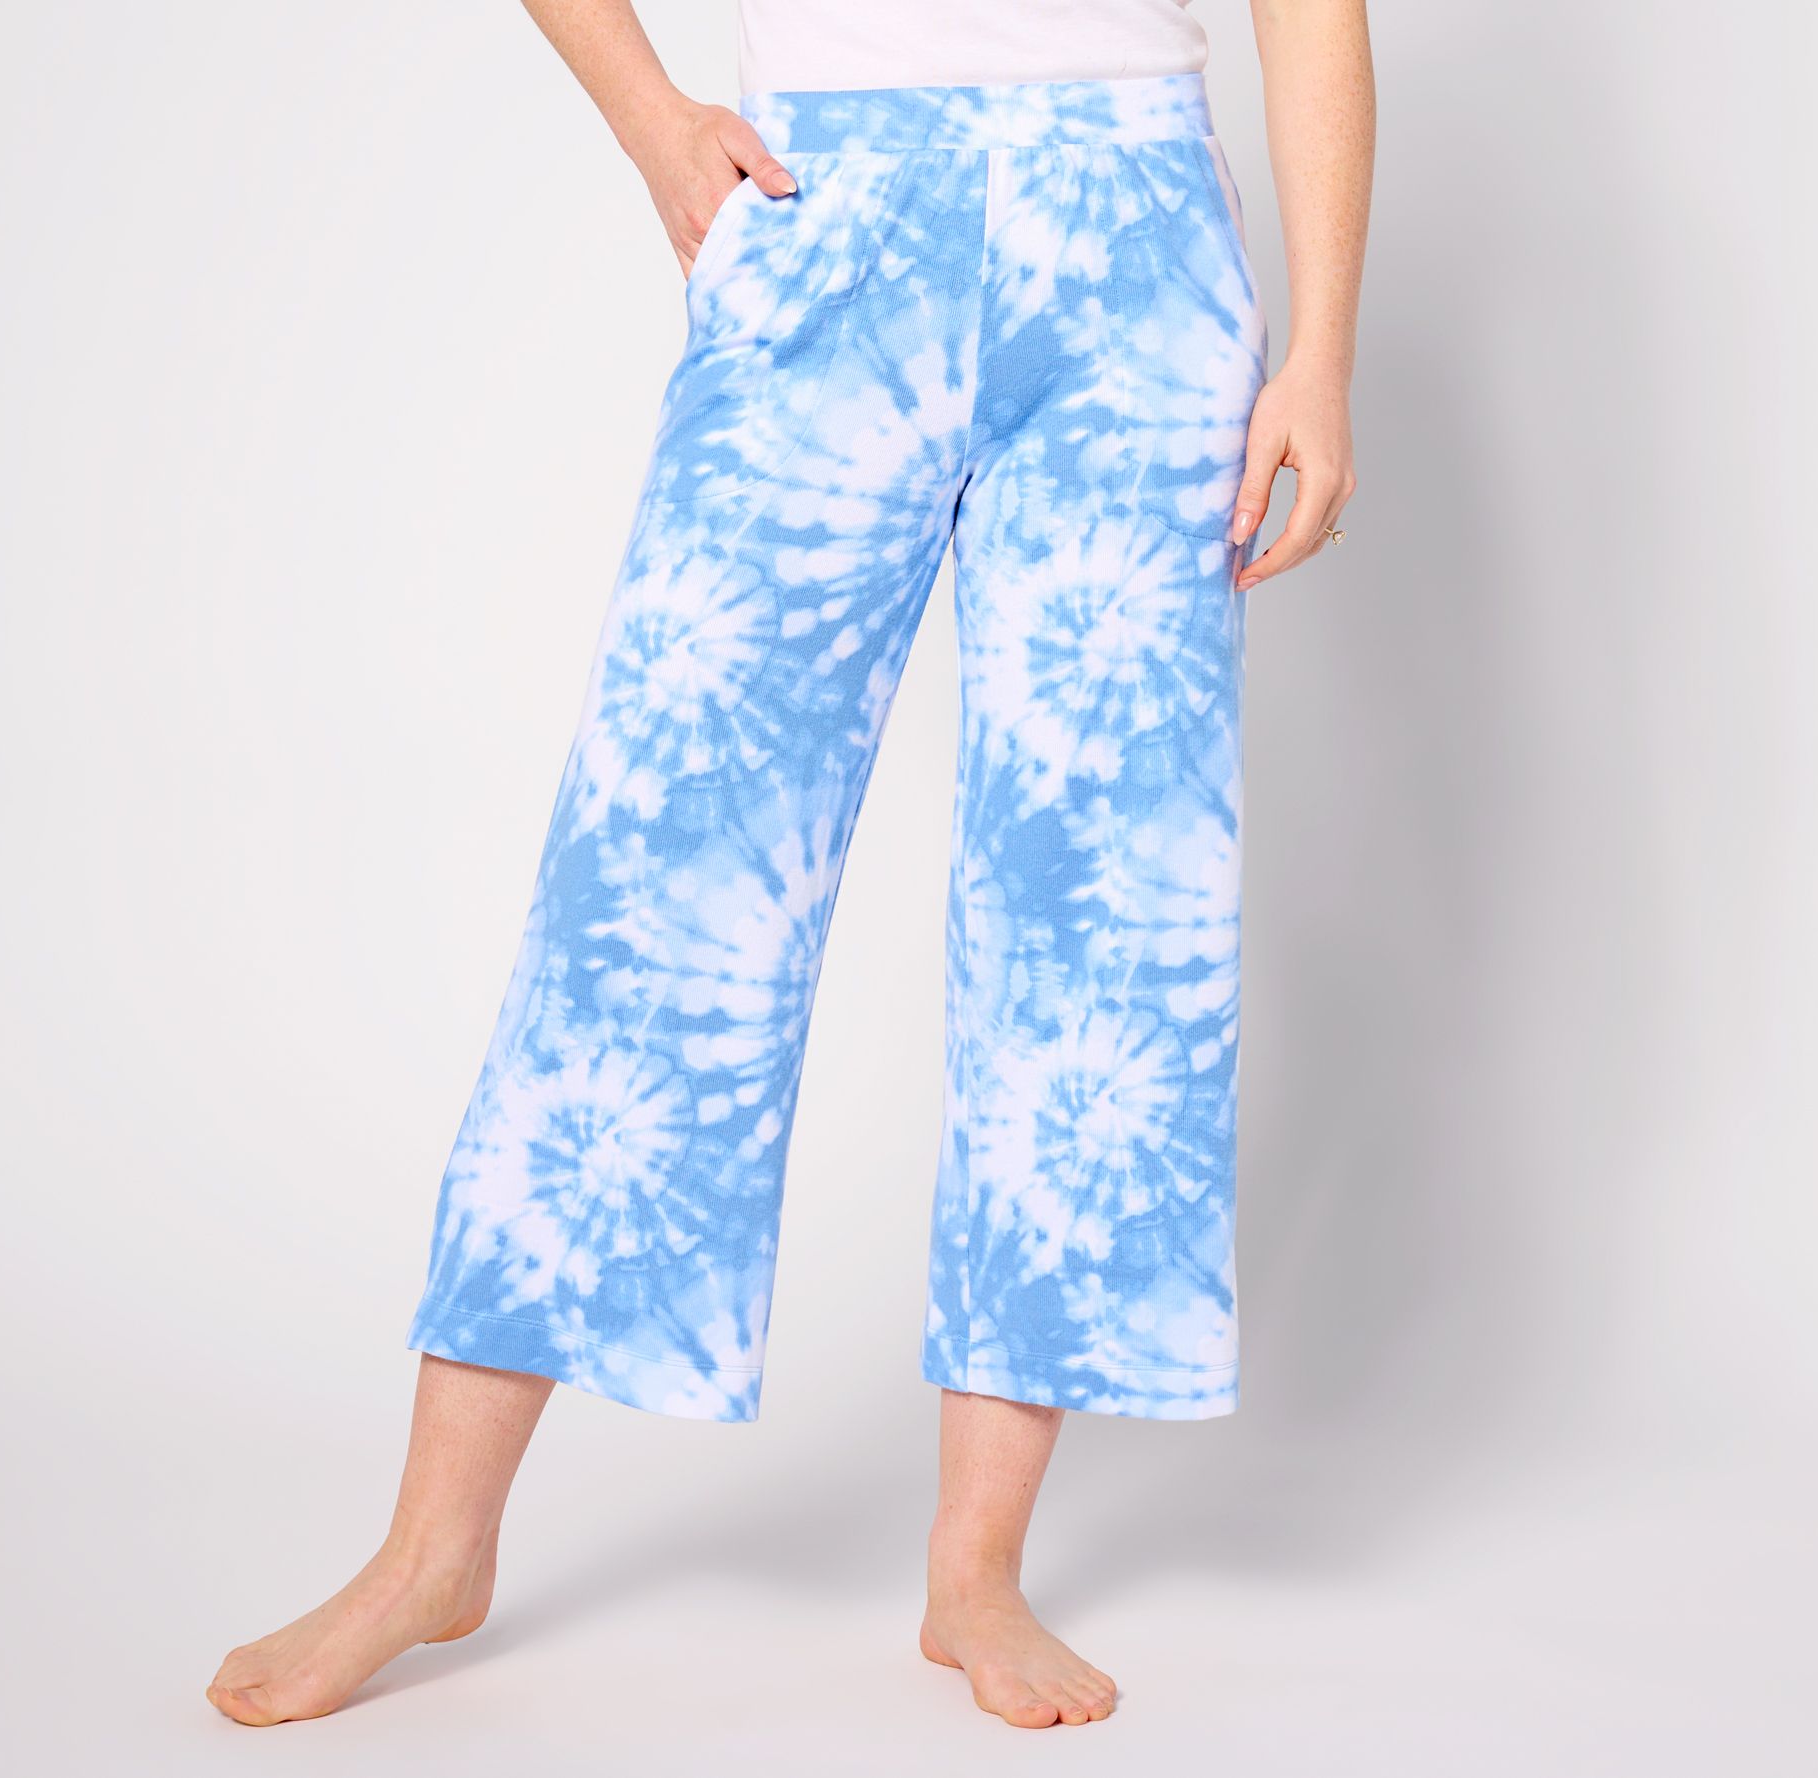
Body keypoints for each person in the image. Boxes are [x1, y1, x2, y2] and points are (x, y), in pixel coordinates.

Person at [207, 0, 1372, 1731]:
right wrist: (650, 117)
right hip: (836, 203)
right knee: (656, 869)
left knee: (1099, 910)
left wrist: (1323, 350)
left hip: (1135, 242)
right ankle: (432, 1544)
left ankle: (978, 1570)